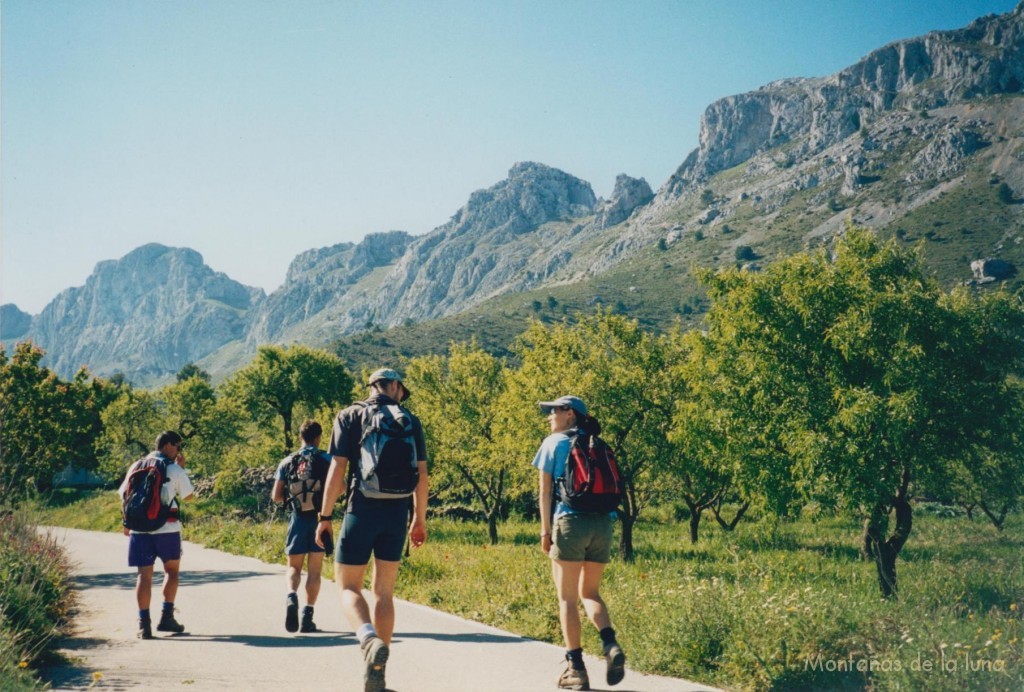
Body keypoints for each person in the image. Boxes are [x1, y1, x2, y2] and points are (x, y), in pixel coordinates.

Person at [316, 368, 428, 692]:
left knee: (348, 586)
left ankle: (367, 639)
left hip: (362, 509)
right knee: (384, 592)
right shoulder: (410, 420)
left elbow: (337, 469)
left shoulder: (350, 415)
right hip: (397, 513)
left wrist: (324, 516)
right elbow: (422, 474)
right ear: (394, 387)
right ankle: (378, 672)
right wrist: (419, 519)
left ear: (371, 387)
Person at [533, 396, 626, 691]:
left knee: (567, 598)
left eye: (554, 411)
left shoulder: (554, 443)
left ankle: (576, 669)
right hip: (602, 525)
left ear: (570, 415)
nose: (549, 416)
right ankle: (610, 643)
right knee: (591, 592)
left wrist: (545, 532)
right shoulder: (598, 444)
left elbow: (545, 494)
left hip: (570, 524)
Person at [118, 430, 195, 640]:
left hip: (139, 529)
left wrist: (126, 522)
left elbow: (123, 494)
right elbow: (188, 496)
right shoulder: (173, 468)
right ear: (168, 445)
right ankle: (166, 617)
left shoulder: (137, 465)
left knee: (144, 575)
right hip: (167, 528)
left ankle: (144, 624)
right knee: (171, 571)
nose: (179, 450)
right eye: (178, 446)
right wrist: (181, 469)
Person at [271, 419, 332, 633]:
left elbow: (276, 497)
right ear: (318, 437)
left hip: (296, 519)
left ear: (300, 437)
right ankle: (308, 616)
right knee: (315, 571)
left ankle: (291, 595)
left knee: (294, 567)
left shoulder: (287, 461)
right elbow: (340, 486)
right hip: (319, 519)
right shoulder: (326, 459)